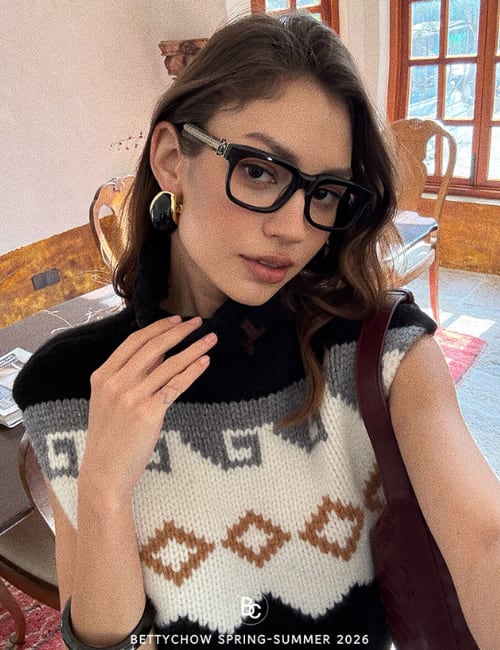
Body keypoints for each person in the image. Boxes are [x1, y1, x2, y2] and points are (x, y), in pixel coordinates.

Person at [13, 11, 500, 650]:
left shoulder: (384, 351)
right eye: (260, 170)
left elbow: (485, 543)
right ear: (171, 159)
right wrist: (103, 490)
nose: (294, 228)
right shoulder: (66, 383)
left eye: (325, 193)